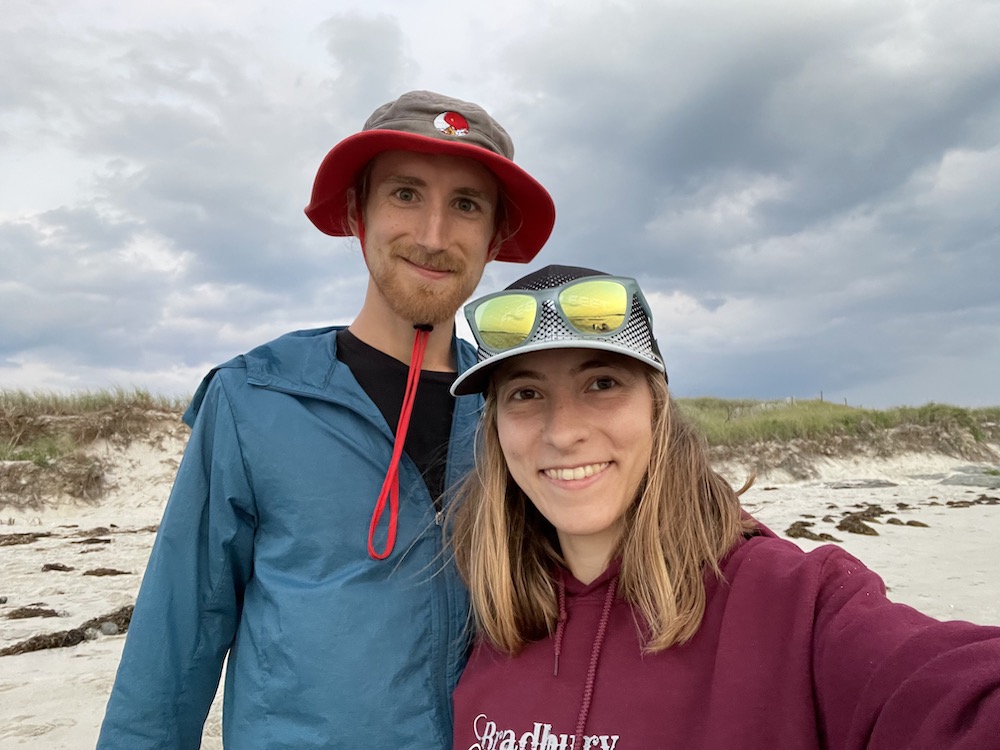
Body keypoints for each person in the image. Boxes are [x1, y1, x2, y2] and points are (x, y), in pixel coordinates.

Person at [97, 91, 555, 749]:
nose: (432, 234)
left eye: (465, 204)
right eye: (404, 194)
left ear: (494, 237)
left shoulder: (523, 407)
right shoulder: (254, 398)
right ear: (356, 211)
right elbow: (176, 640)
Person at [448, 264, 1000, 750]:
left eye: (602, 382)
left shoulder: (794, 606)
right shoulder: (486, 616)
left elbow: (940, 688)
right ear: (494, 429)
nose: (563, 431)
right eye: (525, 393)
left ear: (657, 409)